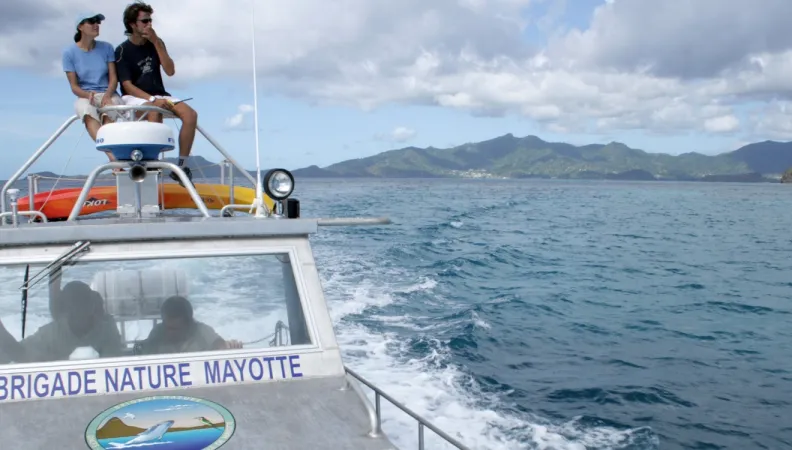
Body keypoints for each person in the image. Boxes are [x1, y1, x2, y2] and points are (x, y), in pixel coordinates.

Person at [115, 1, 196, 187]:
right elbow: (127, 85)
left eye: (150, 20)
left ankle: (182, 167)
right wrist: (152, 100)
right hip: (134, 96)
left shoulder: (157, 43)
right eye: (145, 21)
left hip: (159, 94)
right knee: (154, 110)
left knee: (191, 115)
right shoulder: (122, 50)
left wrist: (157, 42)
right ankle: (153, 165)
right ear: (132, 24)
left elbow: (170, 71)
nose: (149, 24)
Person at [0, 280, 124, 363]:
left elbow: (116, 363)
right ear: (66, 308)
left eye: (83, 302)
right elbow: (19, 353)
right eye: (74, 304)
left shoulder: (107, 330)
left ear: (92, 305)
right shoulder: (52, 333)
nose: (78, 309)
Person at [62, 12, 127, 165]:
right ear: (80, 27)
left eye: (98, 22)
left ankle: (115, 160)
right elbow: (74, 87)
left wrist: (108, 95)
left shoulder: (107, 48)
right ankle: (113, 158)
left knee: (110, 109)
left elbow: (113, 78)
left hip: (108, 92)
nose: (96, 25)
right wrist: (87, 95)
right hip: (86, 94)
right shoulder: (69, 53)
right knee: (86, 111)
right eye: (91, 22)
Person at [135, 295, 242, 355]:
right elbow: (145, 357)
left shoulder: (202, 331)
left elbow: (220, 347)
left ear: (189, 324)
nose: (169, 332)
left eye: (175, 329)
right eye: (167, 327)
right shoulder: (158, 332)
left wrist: (231, 348)